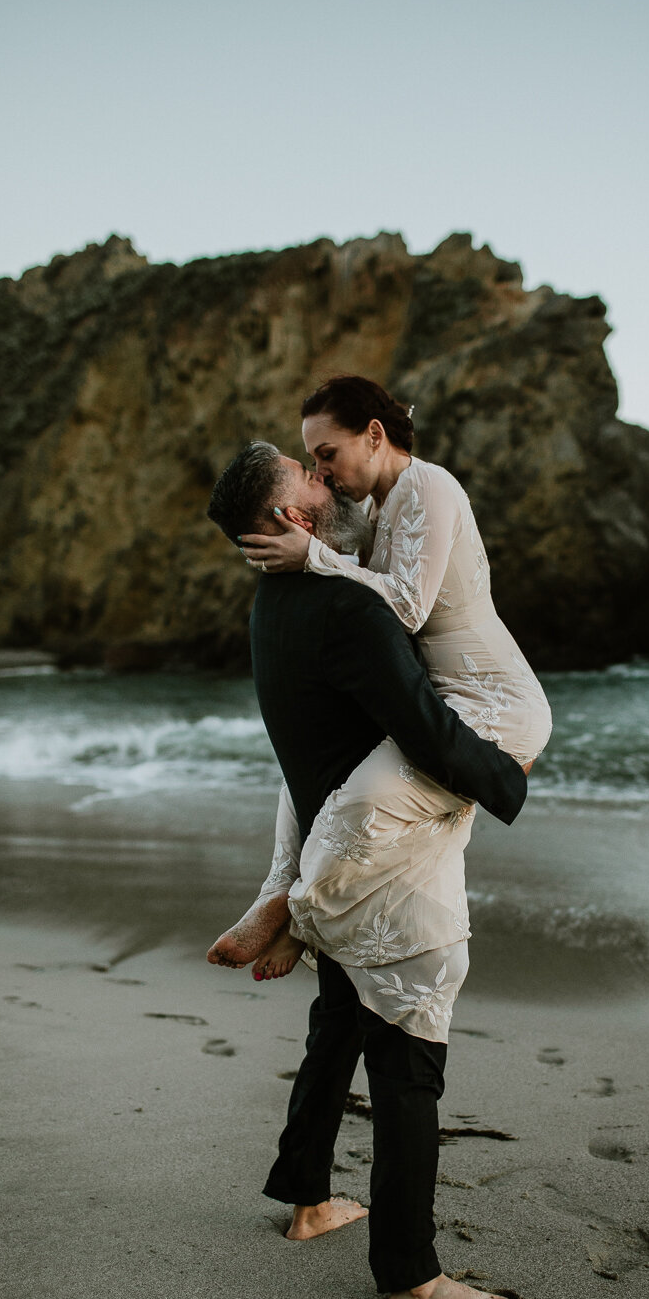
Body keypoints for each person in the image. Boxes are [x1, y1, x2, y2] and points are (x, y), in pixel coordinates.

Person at [206, 439, 526, 1299]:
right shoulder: (345, 608)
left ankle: (308, 1198)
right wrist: (506, 779)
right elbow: (424, 725)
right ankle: (411, 1276)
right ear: (290, 518)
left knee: (340, 1016)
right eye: (309, 475)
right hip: (384, 876)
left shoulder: (271, 604)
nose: (328, 478)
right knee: (409, 1062)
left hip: (329, 844)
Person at [210, 377, 551, 1045]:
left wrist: (311, 555)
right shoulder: (372, 504)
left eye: (328, 453)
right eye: (313, 461)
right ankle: (275, 889)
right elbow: (342, 561)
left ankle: (298, 916)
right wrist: (305, 555)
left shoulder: (430, 487)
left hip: (492, 698)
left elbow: (405, 608)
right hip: (434, 694)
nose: (322, 472)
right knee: (306, 777)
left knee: (358, 804)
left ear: (375, 434)